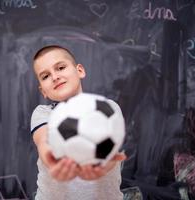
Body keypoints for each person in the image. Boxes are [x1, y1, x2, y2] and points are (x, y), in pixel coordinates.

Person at [30, 45, 126, 200]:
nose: (55, 77)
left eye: (60, 67)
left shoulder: (107, 108)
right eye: (45, 76)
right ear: (43, 91)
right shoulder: (43, 113)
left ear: (79, 70)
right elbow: (45, 143)